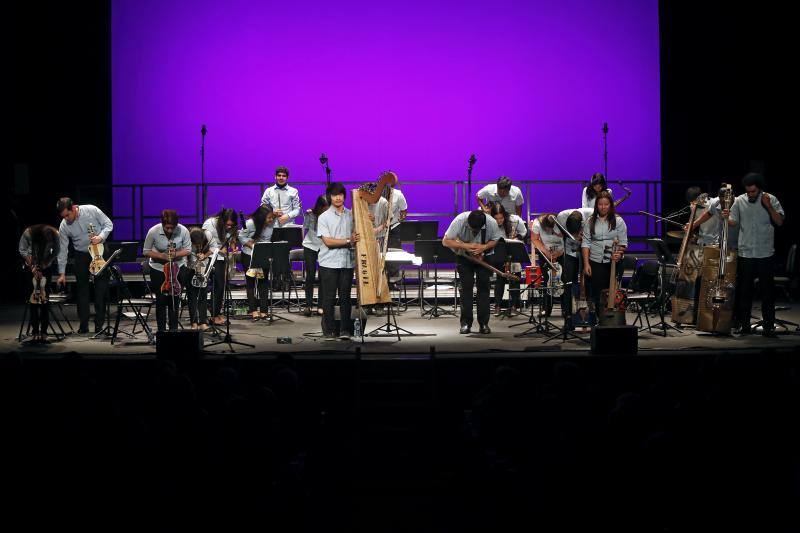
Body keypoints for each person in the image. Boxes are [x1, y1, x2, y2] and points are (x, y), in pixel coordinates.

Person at [728, 173, 784, 337]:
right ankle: (744, 325)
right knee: (744, 291)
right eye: (749, 191)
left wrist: (768, 206)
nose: (751, 194)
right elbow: (733, 221)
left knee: (767, 292)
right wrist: (724, 217)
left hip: (765, 252)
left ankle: (768, 326)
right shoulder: (739, 200)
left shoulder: (770, 199)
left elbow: (779, 221)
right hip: (746, 252)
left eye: (754, 192)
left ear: (759, 189)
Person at [55, 197, 113, 334]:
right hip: (81, 254)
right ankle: (83, 325)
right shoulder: (64, 225)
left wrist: (101, 237)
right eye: (63, 217)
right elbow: (63, 249)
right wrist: (62, 273)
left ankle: (99, 325)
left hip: (99, 250)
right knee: (82, 291)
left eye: (68, 215)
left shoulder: (91, 210)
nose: (67, 219)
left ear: (74, 208)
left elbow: (108, 224)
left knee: (100, 290)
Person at [442, 209, 503, 334]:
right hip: (464, 257)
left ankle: (484, 324)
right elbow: (446, 241)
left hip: (485, 257)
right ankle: (465, 323)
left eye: (476, 230)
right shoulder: (460, 220)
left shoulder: (491, 222)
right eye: (471, 229)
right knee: (466, 289)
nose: (474, 232)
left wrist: (483, 247)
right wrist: (468, 246)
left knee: (484, 289)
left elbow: (496, 239)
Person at [317, 182, 360, 340]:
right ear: (330, 197)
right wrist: (349, 240)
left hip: (347, 262)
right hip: (328, 263)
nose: (338, 198)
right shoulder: (323, 217)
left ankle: (344, 330)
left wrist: (369, 221)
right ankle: (329, 330)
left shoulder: (351, 215)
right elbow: (328, 241)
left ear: (344, 197)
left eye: (340, 195)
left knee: (345, 297)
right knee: (328, 298)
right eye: (334, 195)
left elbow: (360, 233)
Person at [142, 209, 192, 333]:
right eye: (167, 228)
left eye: (172, 228)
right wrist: (162, 256)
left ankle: (173, 330)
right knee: (161, 300)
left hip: (177, 268)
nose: (169, 230)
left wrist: (175, 254)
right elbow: (146, 251)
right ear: (162, 224)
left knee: (174, 300)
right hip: (158, 269)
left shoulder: (183, 230)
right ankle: (162, 332)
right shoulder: (153, 231)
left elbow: (188, 250)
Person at [581, 191, 628, 315]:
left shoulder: (618, 221)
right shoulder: (590, 221)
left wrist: (619, 253)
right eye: (600, 204)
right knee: (598, 293)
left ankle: (614, 320)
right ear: (596, 205)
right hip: (596, 261)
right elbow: (585, 243)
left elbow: (623, 243)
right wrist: (586, 264)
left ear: (610, 205)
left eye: (606, 204)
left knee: (613, 293)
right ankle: (600, 319)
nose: (603, 207)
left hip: (614, 262)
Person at [19, 224, 60, 342]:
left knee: (44, 300)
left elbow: (56, 251)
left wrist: (45, 263)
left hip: (45, 267)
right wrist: (32, 267)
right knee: (33, 301)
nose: (48, 240)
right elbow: (22, 250)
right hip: (31, 266)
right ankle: (35, 331)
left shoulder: (55, 234)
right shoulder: (28, 233)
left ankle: (44, 331)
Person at [556, 207, 594, 329]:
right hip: (570, 252)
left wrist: (584, 237)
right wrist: (571, 236)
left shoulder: (591, 215)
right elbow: (559, 234)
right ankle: (568, 318)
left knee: (589, 282)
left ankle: (591, 318)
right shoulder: (561, 216)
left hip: (588, 251)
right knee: (567, 283)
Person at [203, 208, 240, 326]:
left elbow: (231, 238)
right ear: (222, 220)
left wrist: (233, 246)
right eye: (227, 224)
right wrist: (218, 249)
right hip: (208, 256)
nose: (229, 227)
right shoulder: (210, 223)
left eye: (231, 225)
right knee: (213, 285)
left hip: (221, 257)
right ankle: (209, 315)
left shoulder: (231, 228)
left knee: (220, 286)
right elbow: (203, 241)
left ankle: (216, 313)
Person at [239, 205, 276, 320]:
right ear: (261, 217)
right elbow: (241, 237)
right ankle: (253, 310)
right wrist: (253, 246)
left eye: (272, 217)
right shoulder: (250, 223)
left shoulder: (272, 224)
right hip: (249, 255)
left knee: (263, 282)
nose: (271, 220)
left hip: (263, 255)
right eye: (268, 218)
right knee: (251, 282)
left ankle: (264, 310)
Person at [489, 203, 527, 314]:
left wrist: (516, 238)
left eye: (501, 218)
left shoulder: (514, 220)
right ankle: (497, 306)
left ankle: (515, 305)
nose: (499, 221)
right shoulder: (491, 223)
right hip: (500, 252)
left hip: (513, 250)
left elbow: (523, 232)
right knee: (499, 280)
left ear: (504, 216)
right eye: (496, 218)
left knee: (515, 279)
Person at [530, 212, 565, 317]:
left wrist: (560, 252)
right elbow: (535, 239)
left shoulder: (561, 223)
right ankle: (546, 309)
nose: (550, 231)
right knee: (547, 279)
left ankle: (565, 308)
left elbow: (567, 239)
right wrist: (546, 252)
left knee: (563, 279)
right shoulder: (537, 223)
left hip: (562, 251)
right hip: (546, 252)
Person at [302, 195, 330, 316]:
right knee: (311, 275)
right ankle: (308, 305)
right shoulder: (310, 214)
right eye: (325, 207)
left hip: (324, 246)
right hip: (310, 246)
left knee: (323, 276)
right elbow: (305, 227)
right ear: (319, 207)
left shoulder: (331, 215)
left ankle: (321, 305)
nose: (326, 209)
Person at [187, 226, 213, 330]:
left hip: (203, 267)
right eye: (196, 244)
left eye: (200, 244)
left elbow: (213, 248)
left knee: (203, 295)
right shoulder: (187, 238)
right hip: (190, 268)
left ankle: (203, 322)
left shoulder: (207, 235)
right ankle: (193, 322)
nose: (198, 246)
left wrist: (205, 255)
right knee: (192, 296)